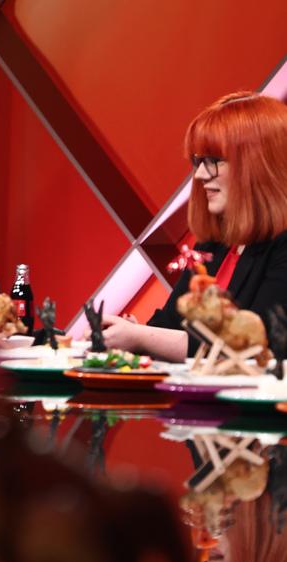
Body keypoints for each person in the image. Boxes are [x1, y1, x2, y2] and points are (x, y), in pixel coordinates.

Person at [102, 92, 287, 361]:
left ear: (258, 164)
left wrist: (141, 337)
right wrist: (131, 332)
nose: (200, 174)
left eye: (214, 160)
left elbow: (257, 350)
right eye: (199, 161)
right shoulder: (214, 245)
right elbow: (170, 324)